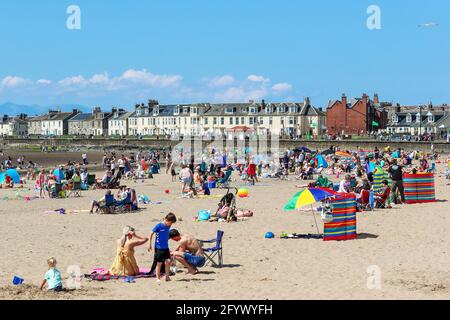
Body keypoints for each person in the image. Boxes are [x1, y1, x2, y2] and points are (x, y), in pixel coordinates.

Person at [148, 213, 177, 282]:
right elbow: (151, 233)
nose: (171, 225)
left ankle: (167, 277)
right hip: (159, 247)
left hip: (166, 247)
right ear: (167, 220)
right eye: (171, 223)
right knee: (159, 263)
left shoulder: (168, 226)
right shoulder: (159, 226)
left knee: (168, 262)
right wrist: (149, 244)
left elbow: (166, 235)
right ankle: (157, 277)